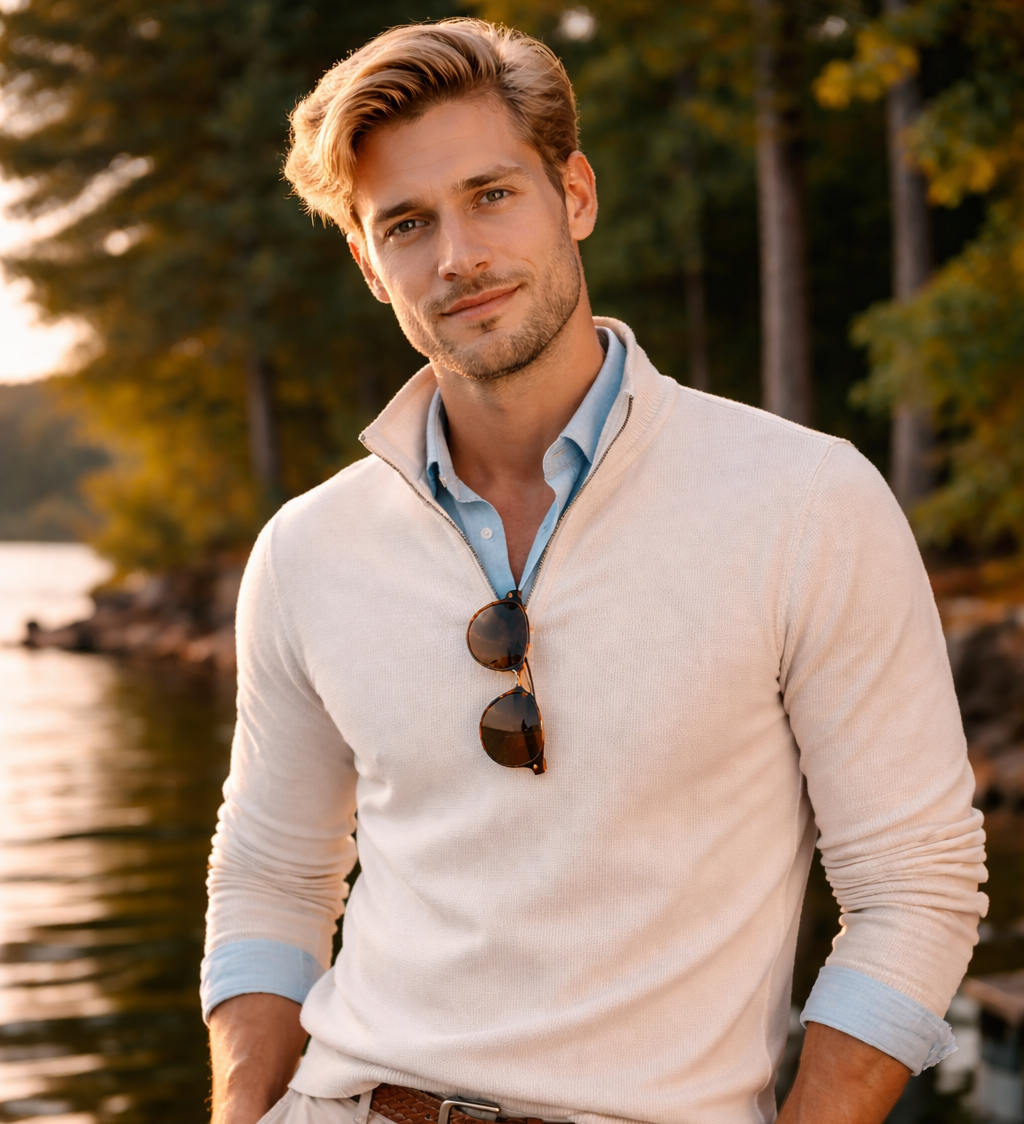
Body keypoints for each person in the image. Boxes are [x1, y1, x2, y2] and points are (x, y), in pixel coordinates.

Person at [203, 18, 987, 1124]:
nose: (458, 257)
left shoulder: (806, 499)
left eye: (491, 194)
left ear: (573, 194)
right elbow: (271, 880)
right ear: (368, 263)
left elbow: (915, 884)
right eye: (407, 223)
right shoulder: (306, 547)